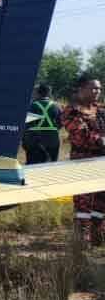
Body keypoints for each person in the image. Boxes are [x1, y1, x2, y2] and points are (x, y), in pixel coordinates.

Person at [60, 74, 105, 246]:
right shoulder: (71, 110)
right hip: (82, 162)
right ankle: (82, 243)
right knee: (83, 203)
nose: (97, 91)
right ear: (81, 89)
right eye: (93, 88)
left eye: (99, 88)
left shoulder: (100, 110)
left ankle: (97, 238)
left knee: (101, 202)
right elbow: (82, 136)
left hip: (101, 162)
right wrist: (102, 140)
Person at [22, 84, 61, 163]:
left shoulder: (33, 106)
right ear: (48, 93)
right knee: (51, 166)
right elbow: (60, 123)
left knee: (33, 167)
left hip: (35, 140)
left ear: (37, 93)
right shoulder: (56, 106)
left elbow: (27, 124)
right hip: (53, 139)